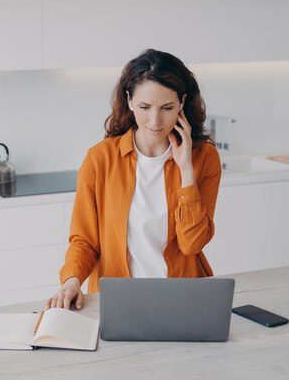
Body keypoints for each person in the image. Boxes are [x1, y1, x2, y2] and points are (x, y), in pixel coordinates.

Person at [46, 49, 222, 310]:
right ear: (128, 100)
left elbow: (191, 244)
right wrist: (72, 281)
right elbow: (84, 239)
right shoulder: (100, 159)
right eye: (144, 107)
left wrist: (186, 169)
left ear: (182, 102)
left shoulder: (204, 158)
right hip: (119, 300)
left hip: (183, 296)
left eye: (167, 108)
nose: (155, 120)